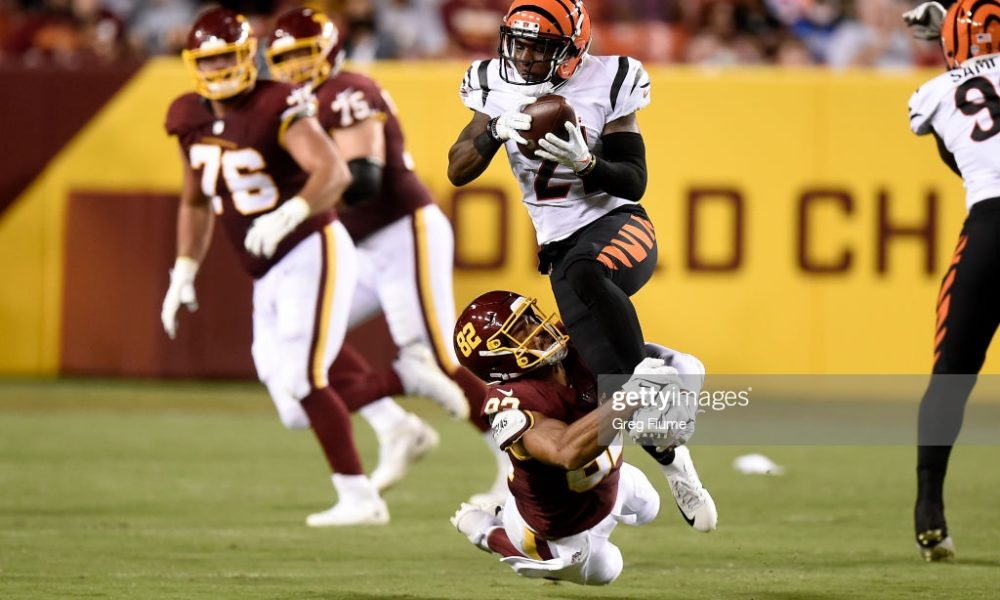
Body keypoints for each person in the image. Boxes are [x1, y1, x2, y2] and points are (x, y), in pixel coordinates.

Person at [264, 7, 511, 504]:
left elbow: (363, 183)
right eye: (284, 59)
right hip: (359, 248)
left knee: (438, 359)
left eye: (303, 55)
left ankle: (517, 465)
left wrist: (295, 199)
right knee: (295, 334)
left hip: (402, 234)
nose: (293, 69)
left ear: (329, 53)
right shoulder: (288, 108)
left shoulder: (346, 92)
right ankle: (395, 426)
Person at [160, 7, 386, 527]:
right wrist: (184, 271)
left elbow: (331, 172)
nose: (217, 72)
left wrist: (291, 211)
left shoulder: (275, 102)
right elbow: (195, 200)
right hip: (266, 270)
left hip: (310, 245)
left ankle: (360, 497)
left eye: (225, 59)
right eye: (207, 62)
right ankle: (402, 384)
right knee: (290, 403)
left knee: (307, 380)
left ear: (246, 55)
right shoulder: (188, 116)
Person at [447, 0, 656, 382]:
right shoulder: (491, 82)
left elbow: (634, 180)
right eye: (519, 44)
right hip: (558, 246)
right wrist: (495, 131)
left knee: (586, 270)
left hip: (615, 221)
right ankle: (670, 438)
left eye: (541, 47)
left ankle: (650, 372)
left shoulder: (609, 78)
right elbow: (457, 171)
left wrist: (588, 164)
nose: (525, 57)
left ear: (573, 50)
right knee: (601, 378)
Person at [448, 290, 717, 585]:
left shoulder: (575, 343)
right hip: (557, 531)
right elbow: (566, 451)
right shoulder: (510, 404)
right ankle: (486, 530)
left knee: (649, 506)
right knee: (607, 569)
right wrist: (632, 395)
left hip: (608, 479)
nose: (540, 330)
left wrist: (679, 391)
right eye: (520, 332)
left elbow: (676, 363)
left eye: (530, 317)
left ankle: (668, 454)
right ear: (500, 363)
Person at [905, 0, 997, 561]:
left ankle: (929, 511)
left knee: (952, 373)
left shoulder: (934, 92)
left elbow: (961, 157)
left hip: (991, 230)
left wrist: (948, 46)